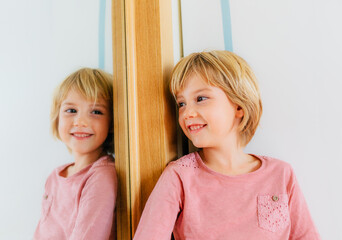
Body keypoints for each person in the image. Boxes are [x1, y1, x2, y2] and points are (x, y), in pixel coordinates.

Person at [133, 51, 320, 240]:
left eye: (200, 99)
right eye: (181, 103)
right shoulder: (179, 176)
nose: (187, 113)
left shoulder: (281, 174)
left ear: (239, 106)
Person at [33, 68, 117, 240]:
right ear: (57, 118)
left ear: (111, 123)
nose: (80, 122)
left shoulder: (101, 176)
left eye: (96, 112)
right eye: (71, 111)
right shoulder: (54, 177)